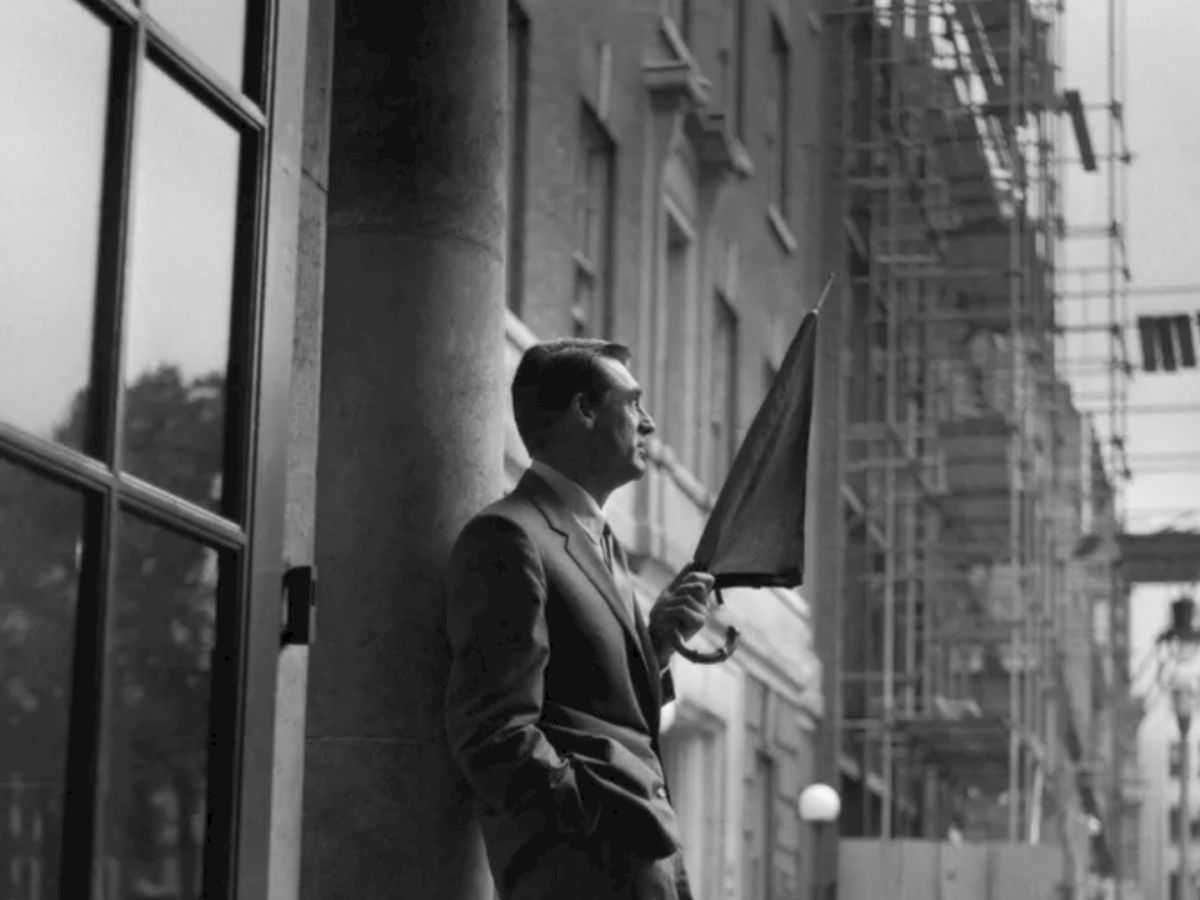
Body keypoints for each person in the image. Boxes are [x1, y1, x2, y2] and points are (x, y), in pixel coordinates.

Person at [444, 339, 717, 900]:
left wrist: (656, 647)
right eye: (633, 402)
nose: (649, 422)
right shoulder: (509, 537)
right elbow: (494, 735)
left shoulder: (605, 543)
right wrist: (604, 824)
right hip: (582, 877)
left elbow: (600, 708)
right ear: (584, 411)